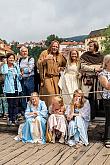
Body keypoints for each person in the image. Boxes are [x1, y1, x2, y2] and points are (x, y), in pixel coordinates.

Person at [37, 40, 67, 107]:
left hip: (56, 78)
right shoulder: (45, 53)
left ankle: (56, 110)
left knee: (57, 95)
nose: (55, 48)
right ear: (50, 46)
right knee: (50, 94)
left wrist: (61, 68)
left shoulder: (60, 55)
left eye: (56, 46)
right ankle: (49, 110)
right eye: (53, 46)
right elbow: (38, 64)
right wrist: (45, 60)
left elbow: (66, 64)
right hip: (47, 77)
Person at [80, 40, 103, 120]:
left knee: (95, 98)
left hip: (97, 80)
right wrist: (94, 68)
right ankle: (86, 115)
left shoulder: (100, 56)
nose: (89, 47)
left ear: (95, 47)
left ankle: (93, 115)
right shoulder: (84, 55)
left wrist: (97, 69)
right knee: (87, 97)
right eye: (88, 46)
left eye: (91, 46)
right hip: (88, 79)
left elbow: (102, 67)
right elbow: (83, 66)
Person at [1, 53, 22, 125]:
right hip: (9, 88)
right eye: (10, 58)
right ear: (7, 59)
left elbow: (19, 77)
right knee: (10, 104)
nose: (11, 59)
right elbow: (5, 72)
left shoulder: (16, 66)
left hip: (17, 87)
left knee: (16, 104)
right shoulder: (4, 66)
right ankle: (10, 118)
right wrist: (5, 64)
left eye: (12, 58)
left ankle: (15, 118)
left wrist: (19, 73)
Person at [98, 54, 110, 148]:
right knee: (109, 119)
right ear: (106, 63)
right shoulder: (102, 74)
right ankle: (108, 138)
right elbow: (107, 86)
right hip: (108, 99)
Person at [18, 46, 35, 110]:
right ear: (20, 53)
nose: (24, 53)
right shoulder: (19, 60)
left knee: (30, 95)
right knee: (23, 95)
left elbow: (29, 69)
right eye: (23, 51)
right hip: (22, 79)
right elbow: (17, 70)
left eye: (26, 51)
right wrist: (24, 70)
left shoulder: (31, 59)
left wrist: (22, 70)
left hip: (29, 79)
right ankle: (24, 110)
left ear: (28, 52)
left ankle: (31, 109)